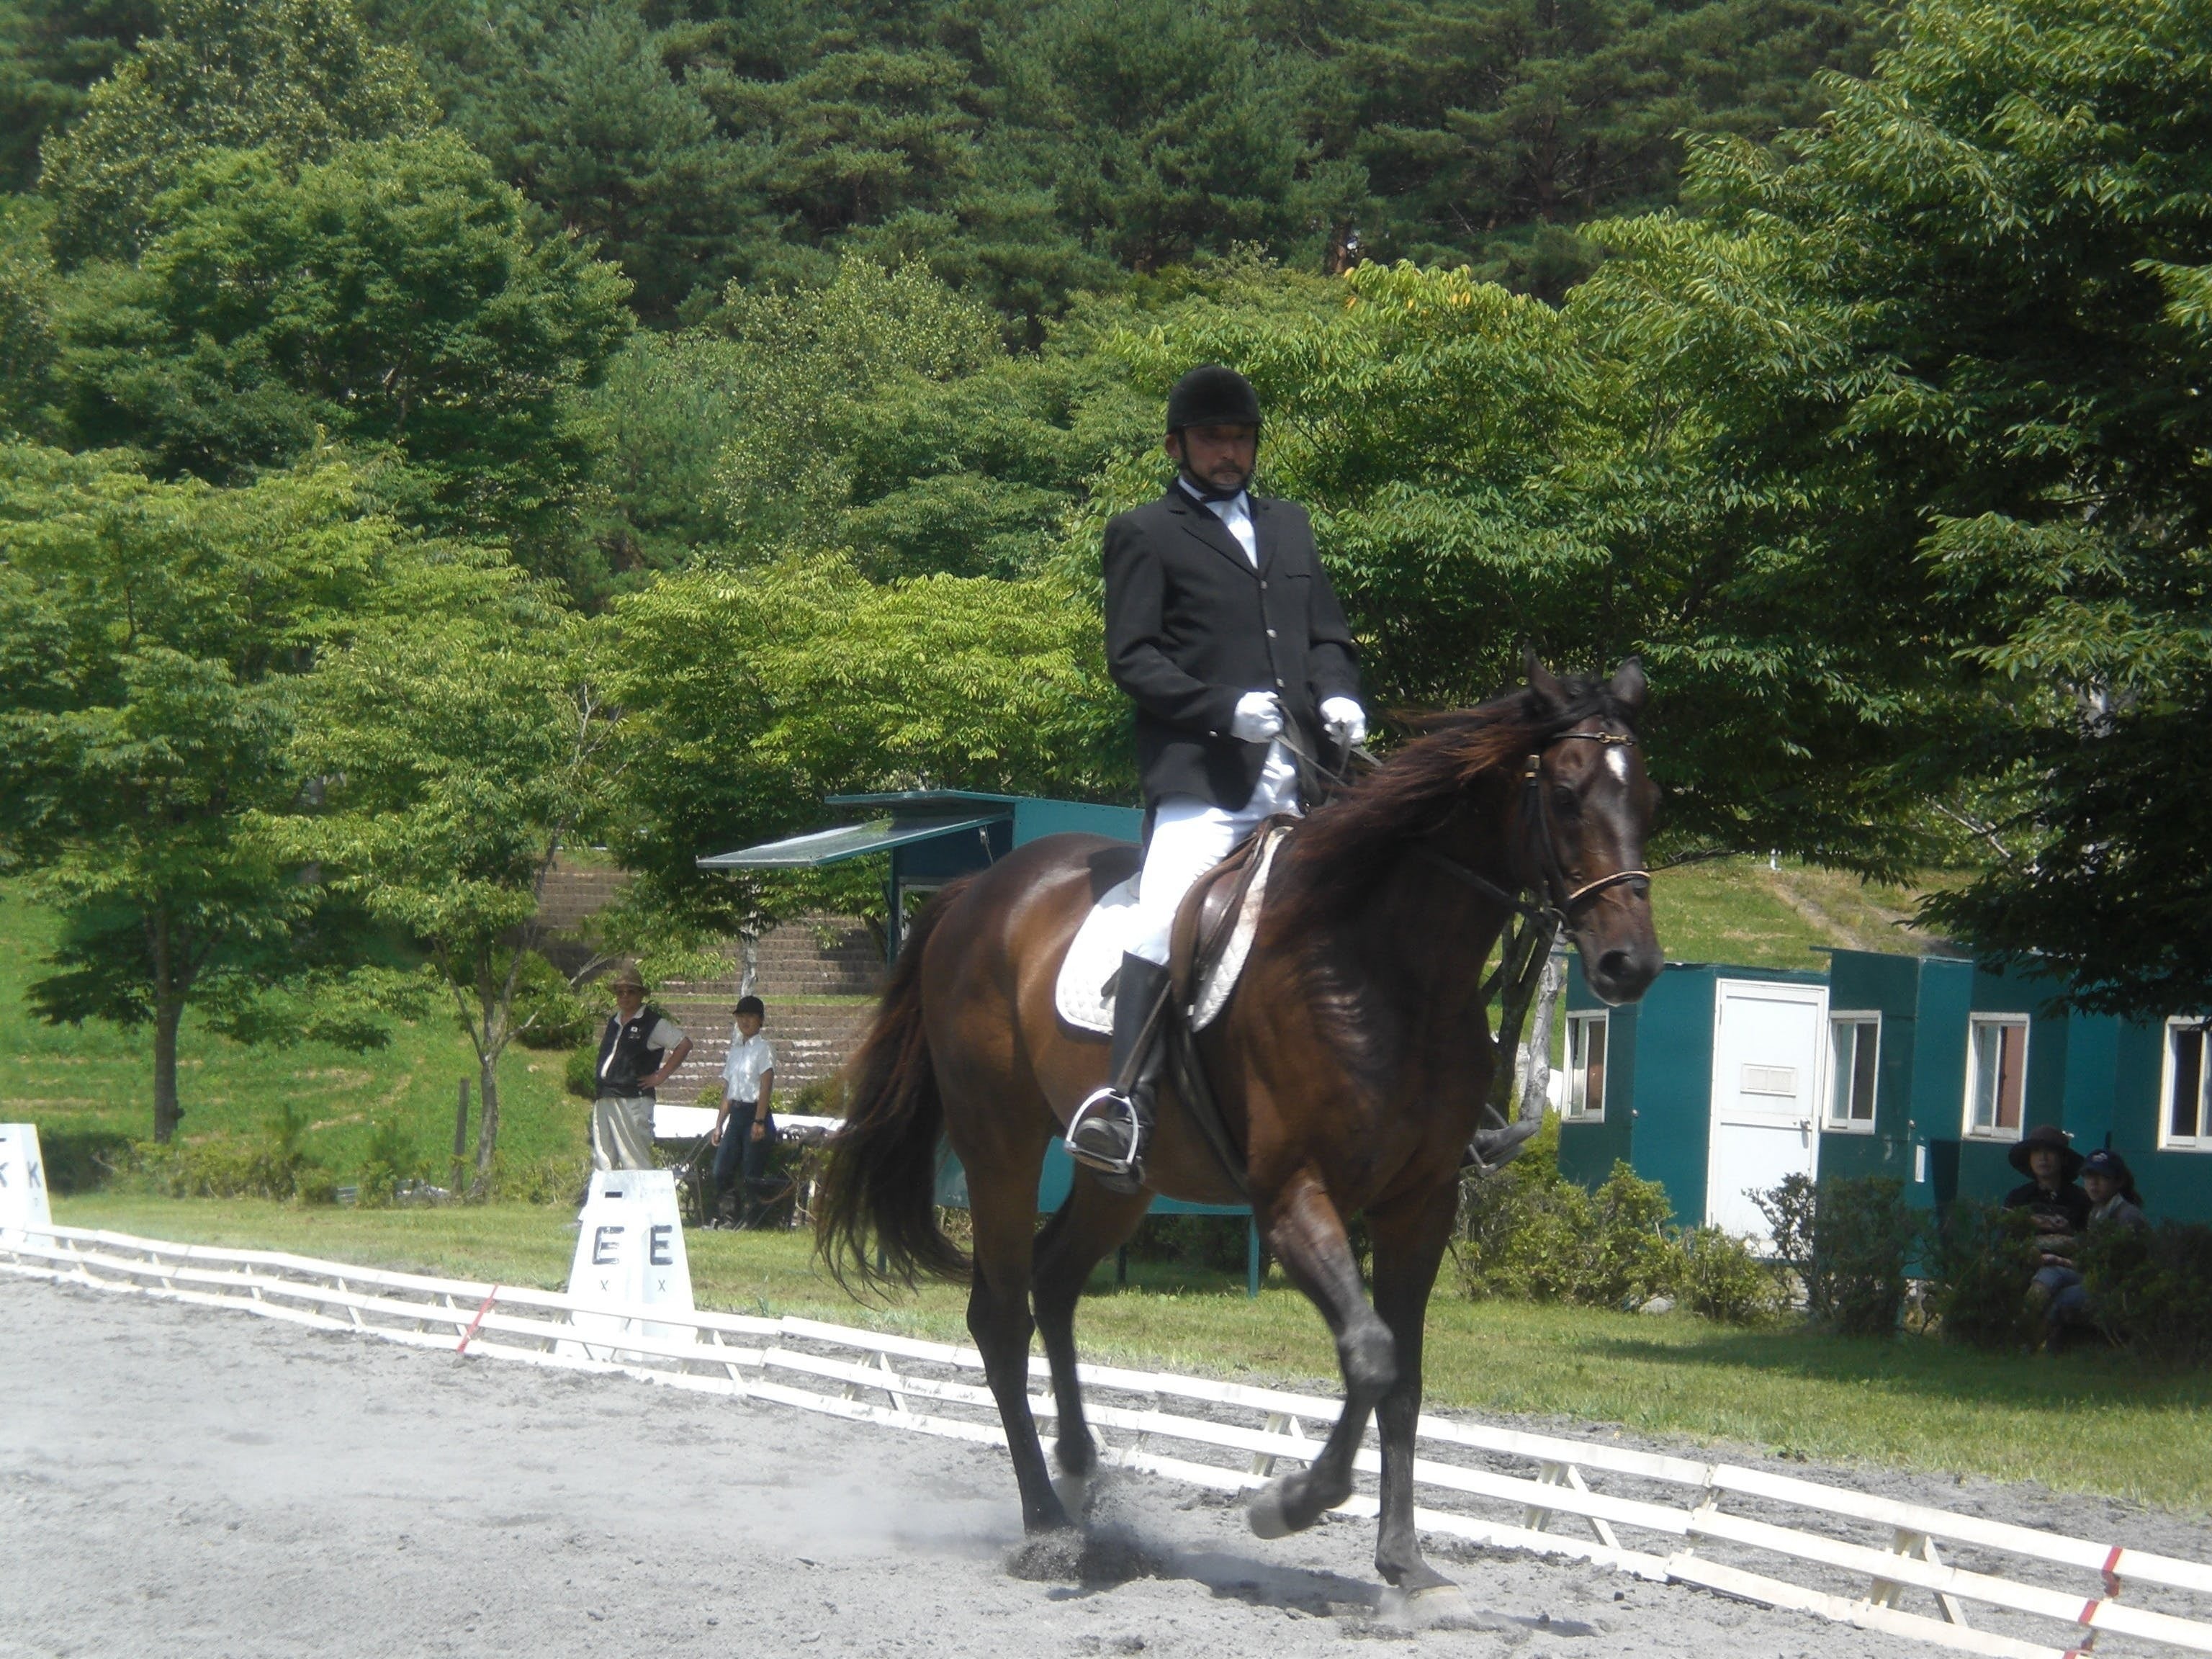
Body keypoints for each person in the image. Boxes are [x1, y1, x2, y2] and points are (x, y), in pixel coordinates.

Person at [1066, 364, 1367, 1188]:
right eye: (1211, 439)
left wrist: (1340, 695)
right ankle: (1126, 1103)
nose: (1228, 453)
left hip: (1307, 777)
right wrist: (1221, 709)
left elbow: (1328, 636)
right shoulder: (1143, 532)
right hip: (1205, 782)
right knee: (1163, 914)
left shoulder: (1290, 525)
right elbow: (1132, 658)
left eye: (1240, 439)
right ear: (1177, 446)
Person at [2042, 1148, 2149, 1344]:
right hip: (2094, 1274)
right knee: (2048, 1275)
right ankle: (2021, 1332)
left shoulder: (2127, 1216)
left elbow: (2116, 1270)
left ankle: (2046, 1347)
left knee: (2063, 1297)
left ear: (2118, 1182)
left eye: (2103, 1177)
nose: (2093, 1183)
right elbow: (2090, 1253)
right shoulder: (2097, 1210)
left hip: (2117, 1286)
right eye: (2089, 1176)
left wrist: (2063, 1259)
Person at [590, 966, 691, 1172]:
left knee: (634, 1160)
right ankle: (606, 1192)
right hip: (606, 1096)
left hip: (633, 1098)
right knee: (603, 1158)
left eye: (631, 991)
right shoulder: (614, 1021)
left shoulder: (652, 1023)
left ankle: (641, 1192)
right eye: (620, 992)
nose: (625, 996)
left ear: (641, 995)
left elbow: (684, 1044)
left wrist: (660, 1076)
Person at [2002, 1123, 2091, 1349]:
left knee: (2049, 1279)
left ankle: (2021, 1341)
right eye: (2036, 1152)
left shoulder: (2081, 1200)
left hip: (2068, 1269)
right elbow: (2006, 1240)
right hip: (2023, 1263)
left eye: (2050, 1152)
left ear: (2062, 1158)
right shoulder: (2018, 1198)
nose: (2043, 1158)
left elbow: (2087, 1244)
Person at [710, 995, 776, 1228]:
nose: (745, 1021)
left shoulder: (764, 1048)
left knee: (751, 1172)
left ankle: (752, 1220)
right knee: (721, 1169)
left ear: (761, 1020)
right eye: (741, 1017)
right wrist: (719, 1124)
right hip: (736, 1115)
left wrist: (759, 1120)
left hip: (754, 1113)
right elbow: (728, 1090)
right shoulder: (735, 1051)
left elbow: (766, 1086)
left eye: (750, 1016)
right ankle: (728, 1217)